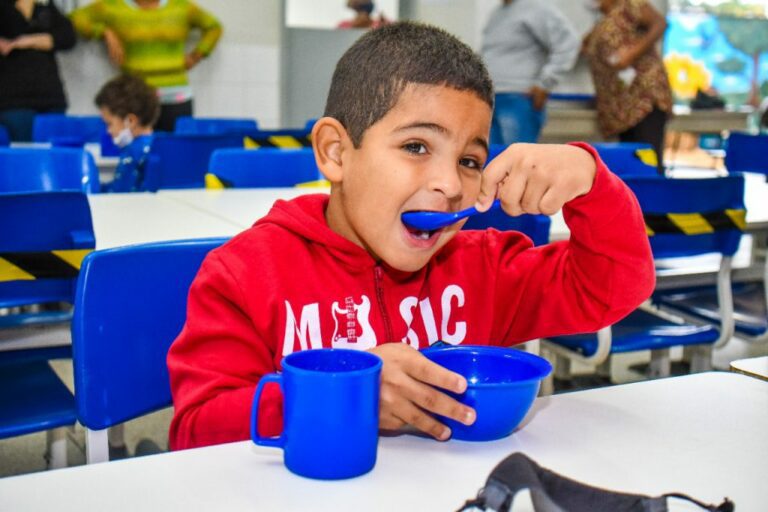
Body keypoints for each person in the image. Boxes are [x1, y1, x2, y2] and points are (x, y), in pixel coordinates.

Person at [167, 22, 655, 450]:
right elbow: (194, 431)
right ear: (336, 152)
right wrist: (344, 394)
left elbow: (613, 285)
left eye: (469, 161)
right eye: (417, 146)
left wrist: (591, 181)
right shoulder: (246, 274)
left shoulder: (486, 269)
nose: (448, 184)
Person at [70, 0, 222, 132]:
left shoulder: (180, 6)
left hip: (175, 97)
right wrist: (104, 31)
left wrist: (197, 55)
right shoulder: (113, 6)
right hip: (133, 100)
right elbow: (73, 19)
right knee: (135, 153)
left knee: (172, 153)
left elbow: (214, 27)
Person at [583, 0, 672, 174]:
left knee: (647, 159)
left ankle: (652, 198)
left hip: (642, 98)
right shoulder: (604, 22)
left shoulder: (630, 5)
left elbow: (660, 23)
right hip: (621, 107)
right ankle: (634, 199)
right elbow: (585, 46)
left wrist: (631, 53)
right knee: (630, 162)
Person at [481, 0, 579, 145]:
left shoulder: (536, 7)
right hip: (491, 98)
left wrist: (546, 82)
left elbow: (568, 42)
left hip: (519, 98)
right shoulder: (497, 13)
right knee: (491, 161)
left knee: (516, 162)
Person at [0, 0, 76, 142]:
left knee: (57, 153)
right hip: (14, 101)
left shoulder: (44, 5)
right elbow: (13, 29)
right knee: (23, 157)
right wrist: (44, 39)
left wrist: (26, 41)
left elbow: (67, 37)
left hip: (51, 96)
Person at [95, 74, 160, 192]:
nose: (108, 131)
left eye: (109, 124)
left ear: (130, 121)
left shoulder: (133, 152)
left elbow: (120, 193)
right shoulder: (158, 146)